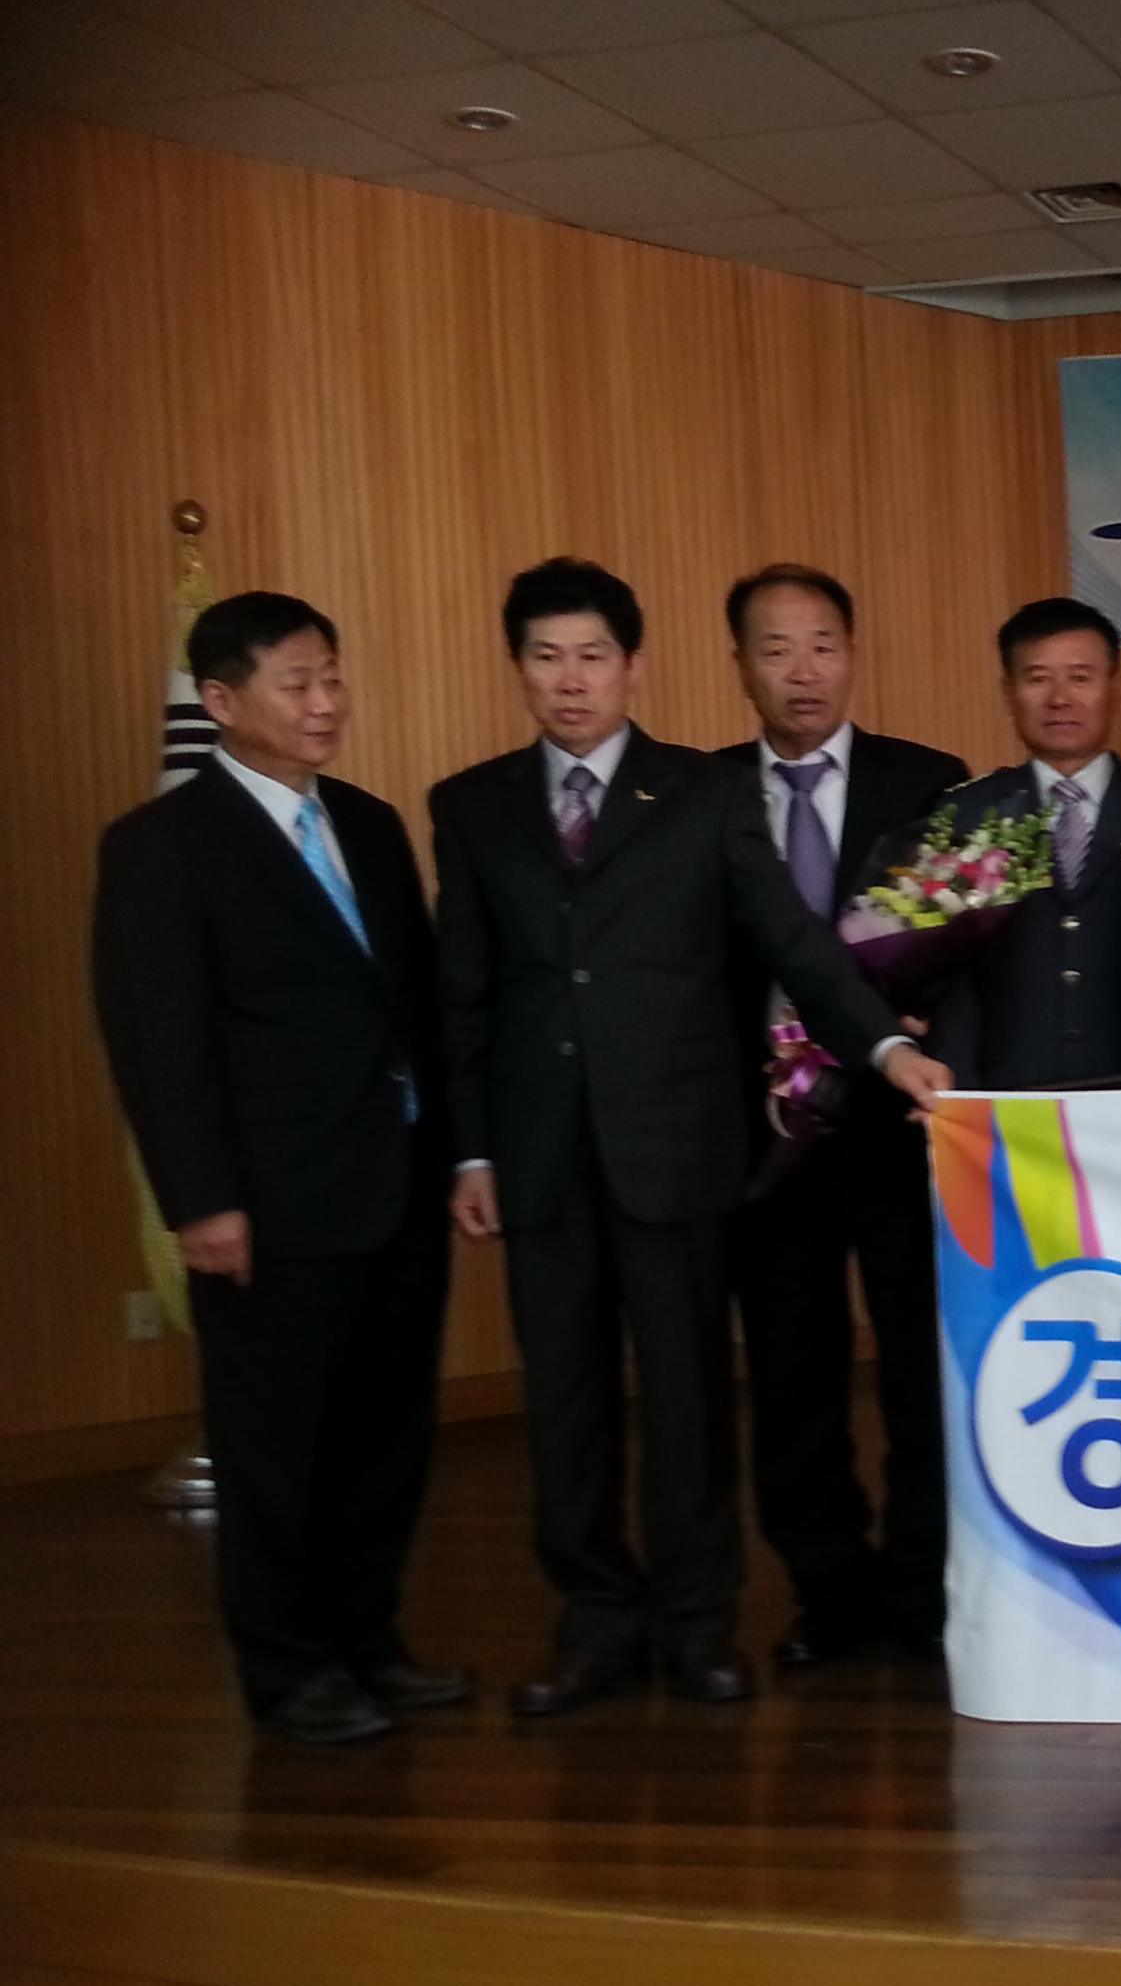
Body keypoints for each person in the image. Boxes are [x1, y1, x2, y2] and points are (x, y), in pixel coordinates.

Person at [430, 558, 949, 1720]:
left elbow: (795, 943)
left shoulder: (704, 794)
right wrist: (471, 1152)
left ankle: (697, 1621)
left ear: (635, 666)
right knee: (564, 1407)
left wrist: (882, 1048)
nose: (571, 680)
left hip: (676, 1147)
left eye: (592, 656)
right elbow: (463, 993)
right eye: (547, 658)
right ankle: (593, 1621)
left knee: (687, 1400)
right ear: (518, 668)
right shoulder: (470, 808)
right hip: (541, 1158)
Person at [91, 592, 461, 1745]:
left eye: (333, 676)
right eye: (297, 682)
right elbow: (158, 1040)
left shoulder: (369, 822)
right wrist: (200, 1199)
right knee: (275, 1451)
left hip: (397, 1185)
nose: (326, 702)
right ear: (219, 700)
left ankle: (368, 1643)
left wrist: (455, 1154)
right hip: (265, 1208)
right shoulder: (162, 845)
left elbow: (415, 1009)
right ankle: (288, 1671)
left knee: (382, 1440)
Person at [709, 565, 967, 1668]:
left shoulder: (928, 782)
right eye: (775, 649)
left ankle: (922, 1587)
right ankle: (827, 1590)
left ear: (852, 654)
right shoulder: (704, 794)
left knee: (920, 1367)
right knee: (792, 1371)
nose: (802, 670)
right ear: (740, 666)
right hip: (768, 1134)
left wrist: (926, 1015)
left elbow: (967, 947)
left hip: (901, 1127)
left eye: (821, 644)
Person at [926, 598, 1121, 1091]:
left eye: (1080, 677)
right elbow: (949, 979)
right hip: (1008, 1096)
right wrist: (957, 1096)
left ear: (1113, 688)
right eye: (1038, 679)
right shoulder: (965, 813)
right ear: (1008, 691)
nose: (1059, 698)